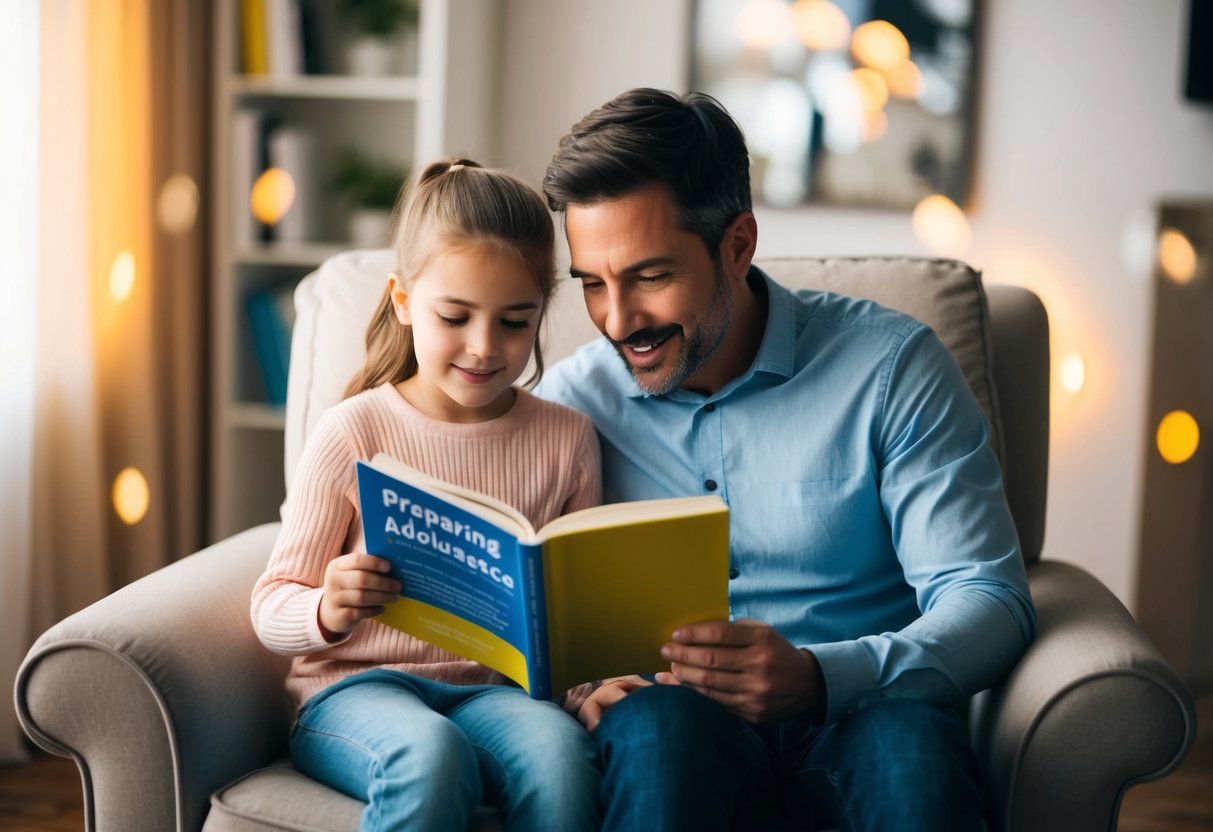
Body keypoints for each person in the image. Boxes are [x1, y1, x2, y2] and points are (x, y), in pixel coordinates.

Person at [534, 88, 1037, 831]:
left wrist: (819, 678)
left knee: (910, 747)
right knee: (652, 733)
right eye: (591, 284)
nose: (618, 321)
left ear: (737, 245)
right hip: (674, 726)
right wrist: (575, 688)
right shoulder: (569, 402)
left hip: (862, 716)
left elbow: (989, 601)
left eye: (649, 277)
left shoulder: (892, 369)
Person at [251, 159, 602, 831]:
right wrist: (328, 605)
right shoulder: (355, 429)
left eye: (514, 321)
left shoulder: (566, 439)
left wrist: (588, 687)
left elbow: (574, 615)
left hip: (494, 694)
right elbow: (270, 605)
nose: (483, 346)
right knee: (429, 754)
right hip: (354, 691)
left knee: (559, 756)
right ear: (404, 300)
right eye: (455, 316)